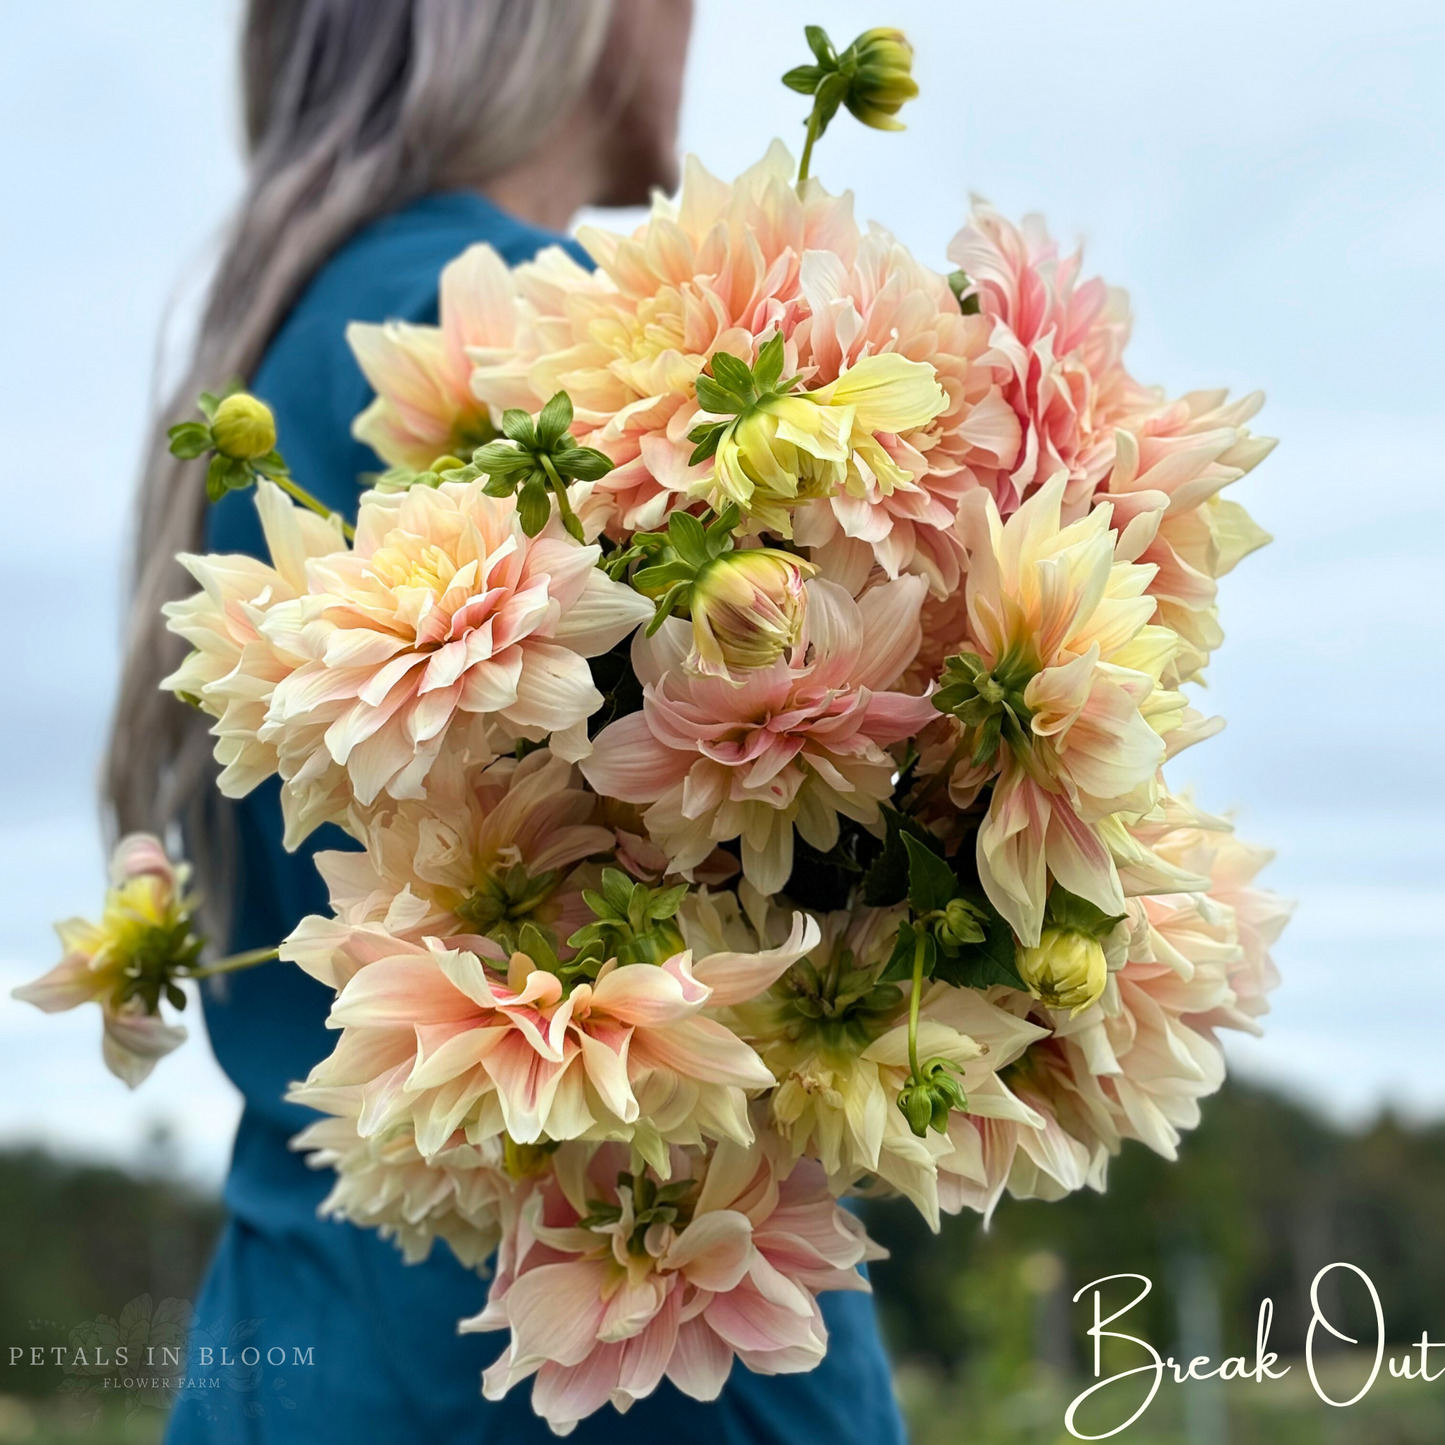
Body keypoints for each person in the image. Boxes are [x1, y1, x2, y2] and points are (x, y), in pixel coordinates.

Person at [104, 2, 908, 1441]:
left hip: (288, 1355)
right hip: (631, 1368)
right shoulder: (552, 340)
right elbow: (842, 817)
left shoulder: (271, 359)